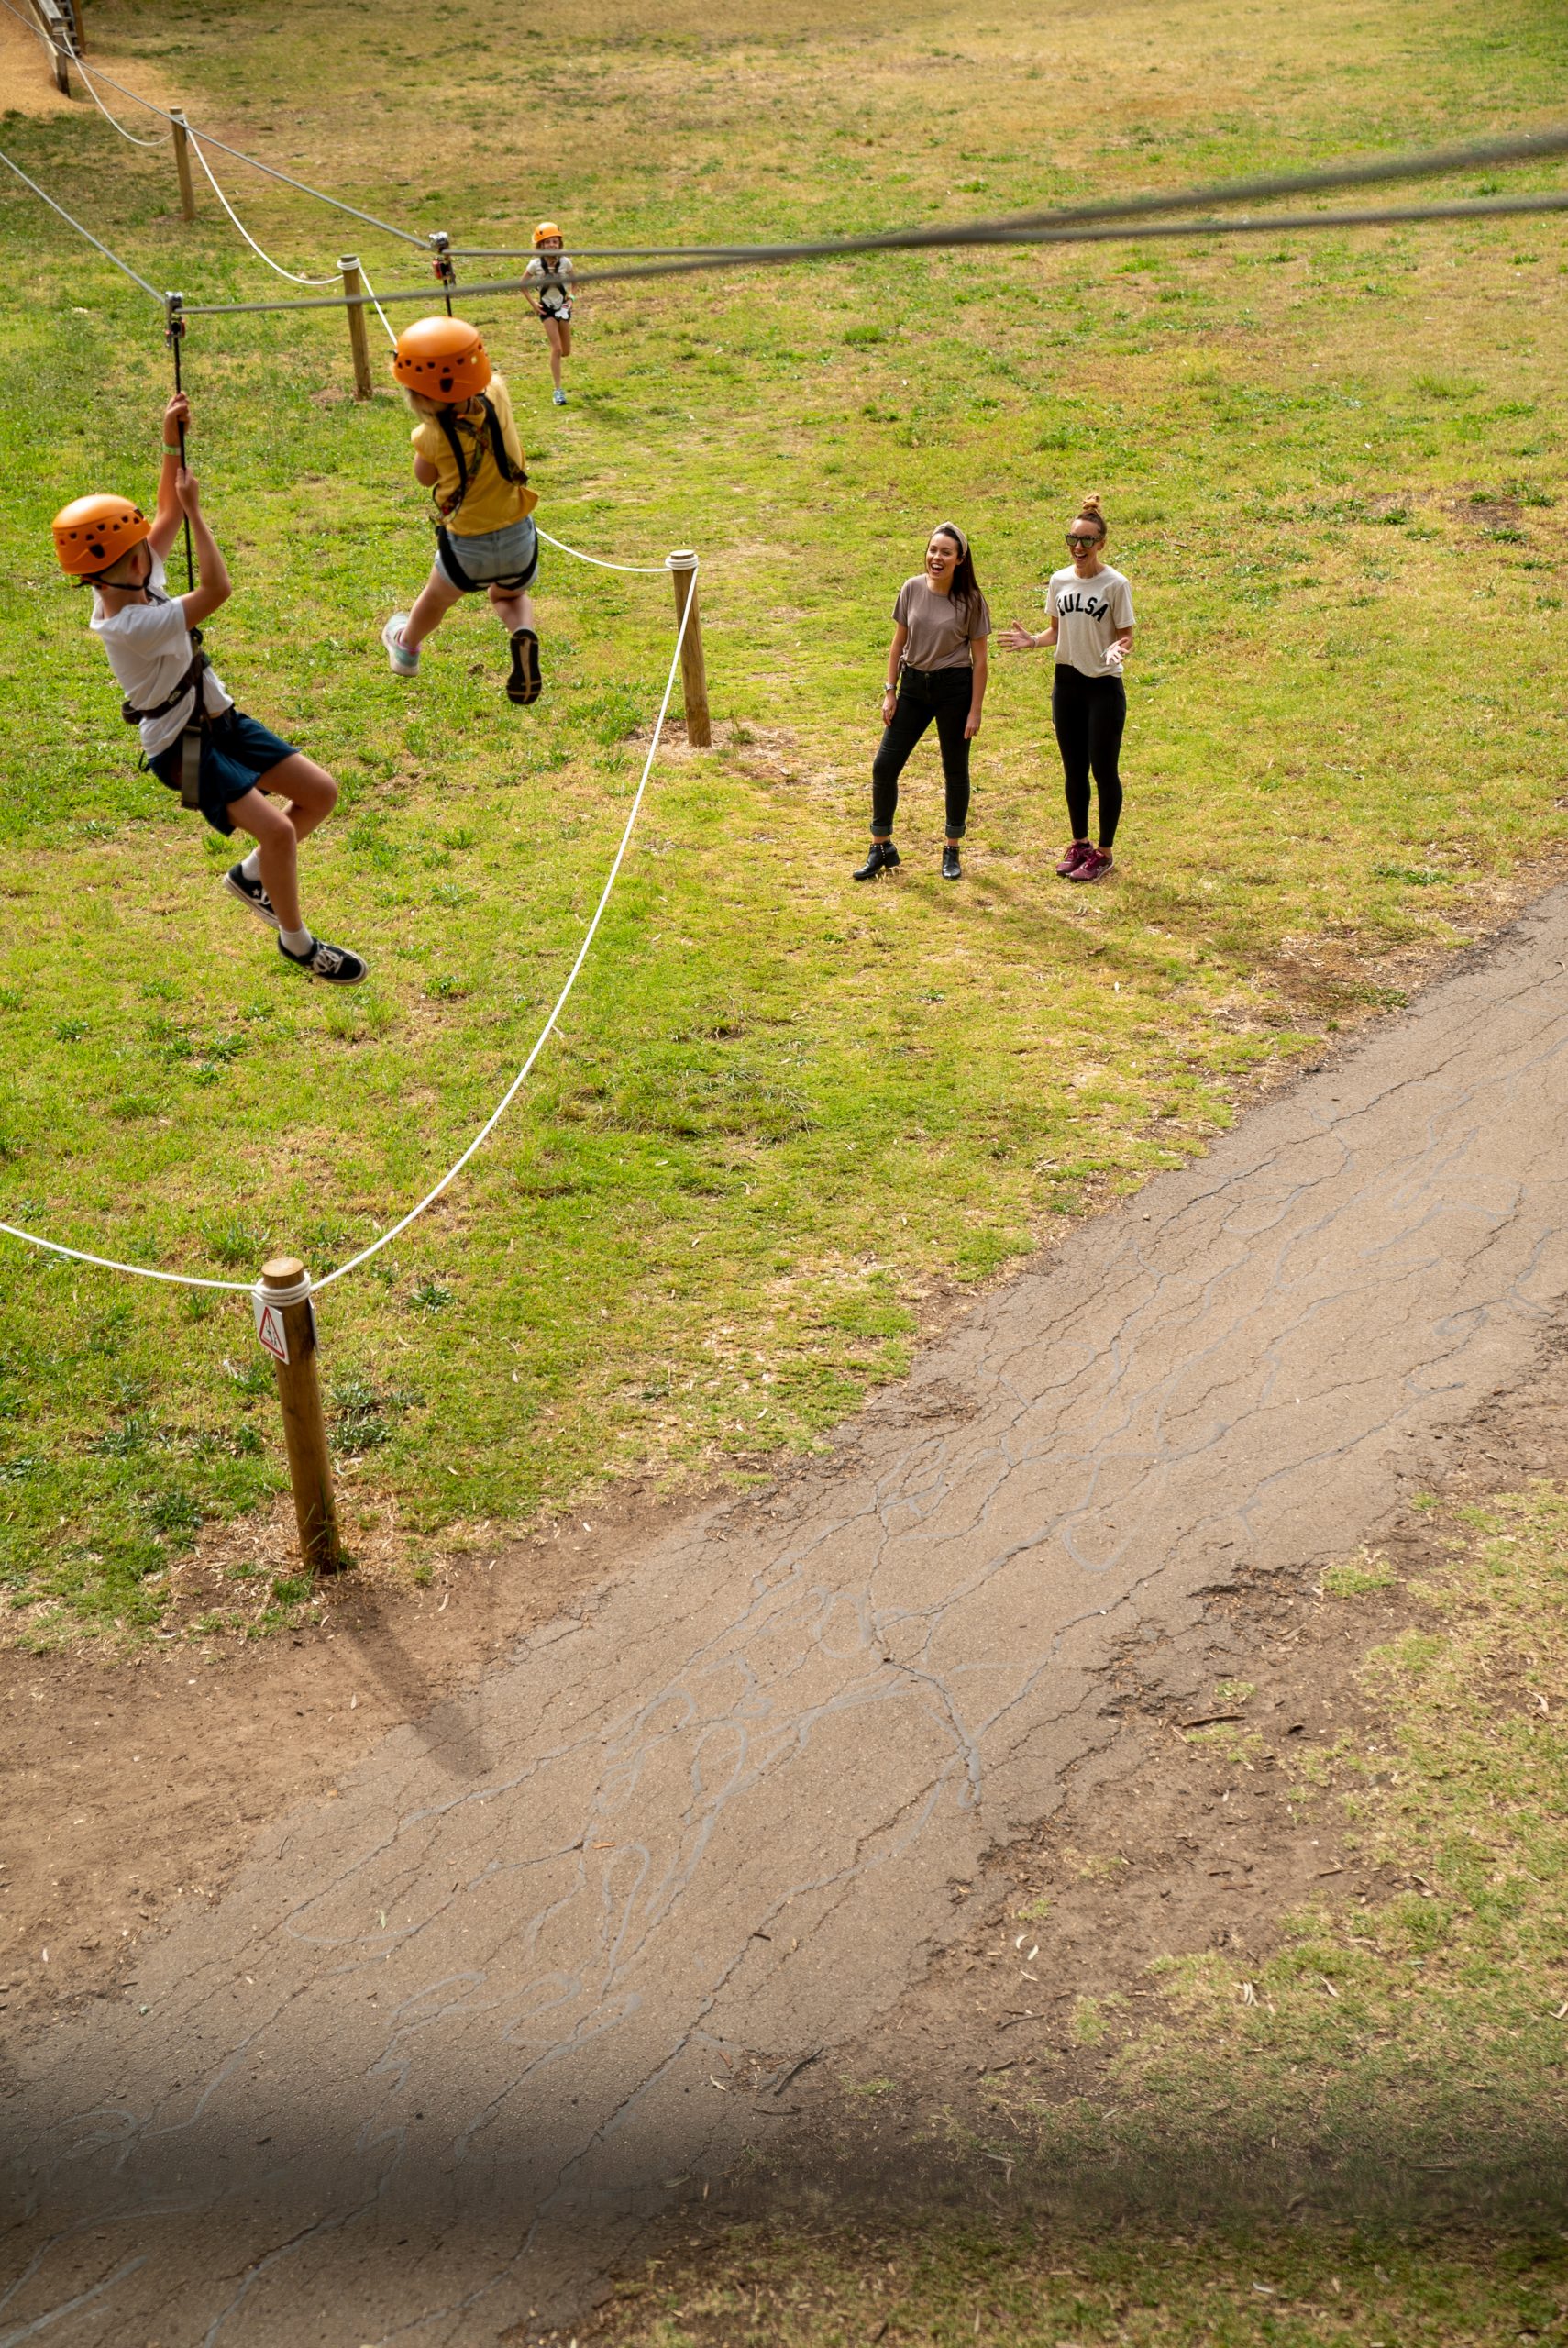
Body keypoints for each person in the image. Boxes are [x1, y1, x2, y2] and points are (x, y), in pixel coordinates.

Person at [54, 393, 366, 983]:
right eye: (139, 550)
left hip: (219, 718)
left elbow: (162, 512)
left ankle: (253, 877)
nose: (153, 548)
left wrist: (170, 440)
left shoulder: (136, 580)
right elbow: (217, 589)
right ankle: (297, 943)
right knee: (277, 829)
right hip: (182, 748)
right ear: (108, 570)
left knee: (319, 793)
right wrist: (200, 516)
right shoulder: (130, 624)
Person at [381, 316, 543, 705]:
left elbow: (425, 478)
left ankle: (407, 647)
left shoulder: (429, 436)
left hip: (467, 548)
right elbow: (485, 379)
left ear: (417, 398)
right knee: (507, 596)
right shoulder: (499, 393)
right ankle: (522, 630)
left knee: (435, 601)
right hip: (519, 538)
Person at [1000, 494, 1134, 883]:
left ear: (1102, 543)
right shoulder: (1059, 580)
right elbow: (1056, 631)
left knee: (1103, 770)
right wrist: (1033, 641)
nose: (1079, 547)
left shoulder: (1116, 584)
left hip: (1103, 687)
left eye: (1087, 540)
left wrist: (1118, 646)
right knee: (1073, 769)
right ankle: (1080, 844)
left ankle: (1104, 853)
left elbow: (1127, 635)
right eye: (1073, 539)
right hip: (1067, 683)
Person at [854, 524, 990, 884]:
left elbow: (981, 662)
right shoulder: (912, 588)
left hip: (954, 690)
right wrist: (890, 690)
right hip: (913, 686)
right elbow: (898, 644)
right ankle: (881, 846)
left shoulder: (971, 601)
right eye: (933, 550)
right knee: (884, 767)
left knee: (955, 770)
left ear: (960, 559)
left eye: (946, 552)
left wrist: (975, 710)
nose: (937, 558)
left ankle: (952, 848)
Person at [522, 221, 575, 406]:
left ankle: (558, 368)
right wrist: (534, 304)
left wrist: (572, 299)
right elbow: (522, 285)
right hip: (546, 308)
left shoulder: (565, 262)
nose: (551, 245)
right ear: (541, 245)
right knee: (557, 348)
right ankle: (558, 390)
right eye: (547, 242)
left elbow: (575, 280)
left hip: (563, 307)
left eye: (554, 242)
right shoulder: (535, 265)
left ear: (559, 244)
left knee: (566, 351)